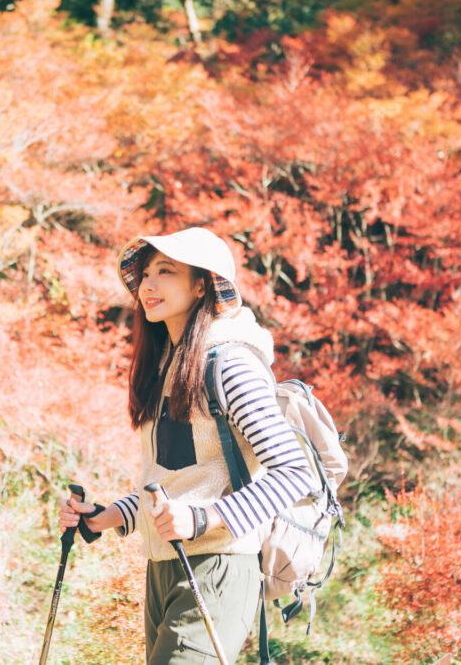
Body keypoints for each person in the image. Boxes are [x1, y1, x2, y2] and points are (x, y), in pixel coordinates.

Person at [58, 227, 314, 664]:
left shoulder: (229, 363)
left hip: (217, 566)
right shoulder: (167, 364)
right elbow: (172, 483)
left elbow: (294, 472)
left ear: (202, 284)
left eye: (166, 271)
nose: (148, 285)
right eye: (145, 275)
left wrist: (201, 518)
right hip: (164, 568)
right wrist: (104, 518)